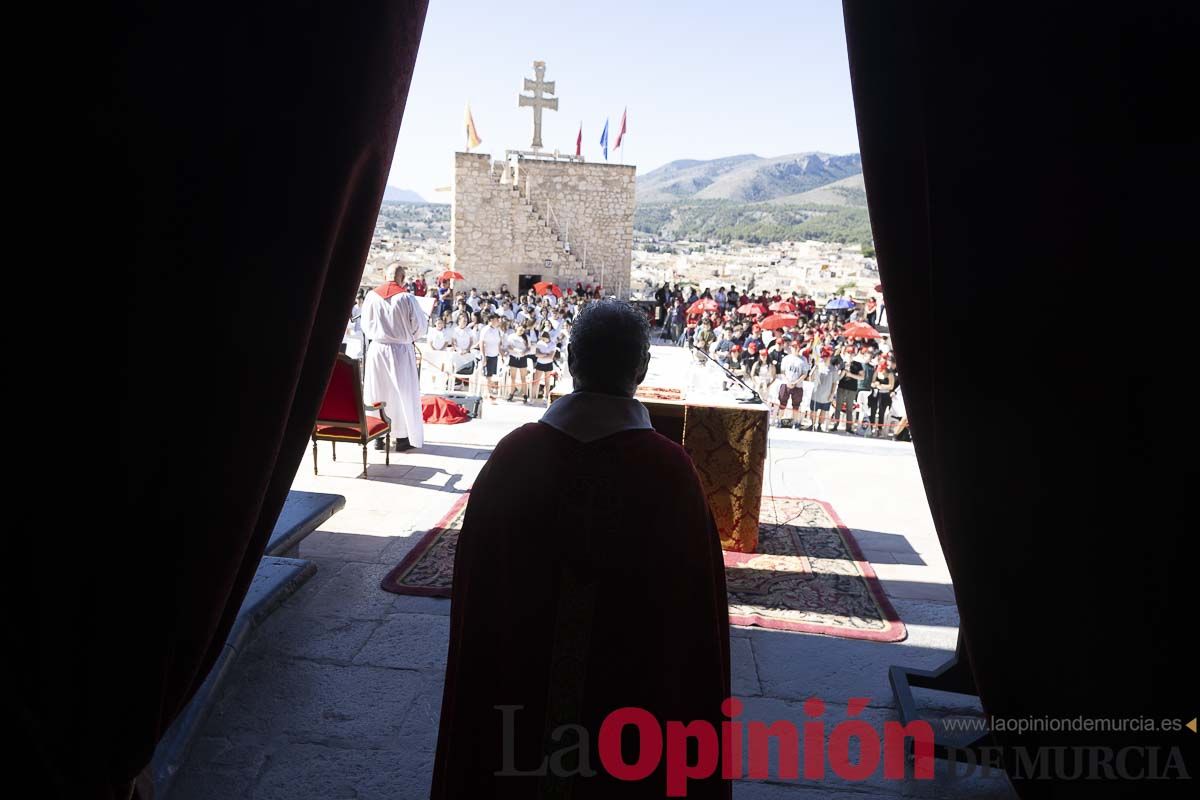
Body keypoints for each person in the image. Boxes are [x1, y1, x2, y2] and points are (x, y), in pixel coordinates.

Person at [431, 300, 731, 799]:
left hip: (514, 713)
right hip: (629, 725)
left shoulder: (514, 456)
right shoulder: (669, 472)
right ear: (642, 368)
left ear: (570, 360)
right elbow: (691, 618)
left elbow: (478, 600)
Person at [361, 263, 428, 452]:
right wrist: (408, 337)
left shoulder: (371, 297)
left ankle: (378, 437)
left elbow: (365, 326)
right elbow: (420, 327)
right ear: (403, 278)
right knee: (402, 393)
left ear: (385, 276)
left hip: (377, 349)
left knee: (378, 391)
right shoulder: (407, 298)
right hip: (400, 351)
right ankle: (401, 438)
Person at [777, 341, 808, 428]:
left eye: (797, 347)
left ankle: (795, 422)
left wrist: (795, 382)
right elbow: (782, 372)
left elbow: (804, 373)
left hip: (798, 385)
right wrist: (788, 382)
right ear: (791, 348)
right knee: (782, 403)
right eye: (794, 347)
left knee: (796, 405)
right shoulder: (786, 358)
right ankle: (779, 420)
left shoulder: (803, 359)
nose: (795, 349)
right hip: (786, 383)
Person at [831, 352, 862, 433]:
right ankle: (835, 425)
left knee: (849, 409)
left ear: (854, 355)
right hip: (841, 388)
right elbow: (837, 377)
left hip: (852, 389)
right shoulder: (842, 364)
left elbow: (862, 377)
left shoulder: (857, 364)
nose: (850, 355)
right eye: (848, 353)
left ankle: (848, 427)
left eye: (851, 353)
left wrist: (850, 374)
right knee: (838, 407)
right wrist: (842, 372)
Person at [475, 313, 503, 402]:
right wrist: (483, 355)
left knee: (492, 375)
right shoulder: (485, 330)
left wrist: (501, 354)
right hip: (487, 355)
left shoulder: (497, 330)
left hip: (494, 355)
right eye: (496, 320)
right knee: (488, 376)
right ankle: (489, 393)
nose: (498, 322)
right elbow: (482, 343)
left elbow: (498, 343)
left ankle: (489, 392)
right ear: (491, 320)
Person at [505, 323, 530, 403]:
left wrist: (524, 352)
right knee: (513, 377)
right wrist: (515, 350)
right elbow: (508, 346)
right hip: (513, 357)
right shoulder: (511, 336)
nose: (521, 331)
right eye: (520, 329)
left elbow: (529, 348)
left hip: (522, 358)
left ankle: (525, 395)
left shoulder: (526, 337)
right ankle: (511, 393)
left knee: (523, 378)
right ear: (517, 328)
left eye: (523, 330)